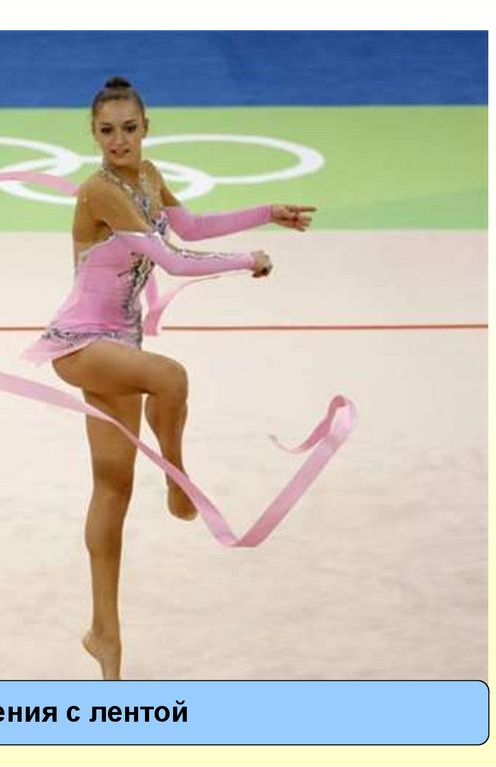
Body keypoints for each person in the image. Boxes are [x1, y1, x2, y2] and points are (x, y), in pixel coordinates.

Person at [21, 77, 316, 680]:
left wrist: (267, 213)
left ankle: (104, 634)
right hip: (82, 342)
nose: (119, 140)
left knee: (112, 487)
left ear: (146, 128)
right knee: (171, 378)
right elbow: (173, 260)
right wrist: (248, 259)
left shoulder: (149, 176)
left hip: (120, 343)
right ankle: (179, 482)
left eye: (129, 128)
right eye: (107, 131)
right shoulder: (98, 191)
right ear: (93, 134)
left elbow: (192, 227)